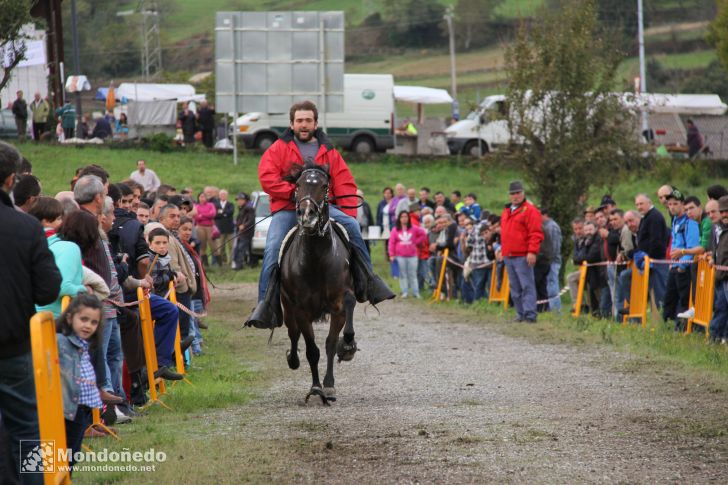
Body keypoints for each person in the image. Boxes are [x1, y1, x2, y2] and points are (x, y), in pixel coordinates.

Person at [246, 101, 394, 328]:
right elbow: (267, 178)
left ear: (315, 123)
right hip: (288, 208)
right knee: (273, 247)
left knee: (352, 228)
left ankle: (369, 283)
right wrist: (295, 194)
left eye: (308, 120)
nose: (303, 125)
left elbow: (344, 182)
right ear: (291, 123)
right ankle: (266, 306)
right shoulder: (277, 148)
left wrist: (347, 213)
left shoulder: (330, 151)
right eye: (299, 121)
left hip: (324, 207)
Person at [0, 141, 61, 484]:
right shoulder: (26, 227)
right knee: (28, 428)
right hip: (14, 343)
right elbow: (47, 289)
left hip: (15, 344)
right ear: (11, 180)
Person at [56, 295, 104, 473]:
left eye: (93, 322)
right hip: (67, 408)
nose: (88, 325)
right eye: (83, 319)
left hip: (82, 408)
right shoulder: (61, 342)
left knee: (73, 454)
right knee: (63, 455)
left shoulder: (85, 344)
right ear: (69, 318)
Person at [500, 181, 543, 323]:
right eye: (512, 193)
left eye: (518, 193)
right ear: (509, 195)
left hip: (522, 255)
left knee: (526, 286)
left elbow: (535, 233)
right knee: (515, 288)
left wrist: (532, 251)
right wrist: (502, 249)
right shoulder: (506, 211)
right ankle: (520, 313)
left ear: (523, 193)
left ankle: (530, 314)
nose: (515, 196)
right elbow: (505, 233)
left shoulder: (530, 211)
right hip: (509, 254)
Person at [663, 189, 701, 330]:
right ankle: (669, 326)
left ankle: (683, 328)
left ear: (682, 204)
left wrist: (681, 266)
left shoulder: (689, 222)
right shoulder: (675, 221)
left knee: (683, 300)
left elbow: (692, 246)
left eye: (675, 203)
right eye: (670, 204)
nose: (672, 207)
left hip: (683, 267)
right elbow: (674, 243)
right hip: (674, 265)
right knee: (669, 299)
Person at [635, 193, 670, 308]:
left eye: (641, 203)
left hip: (657, 261)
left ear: (649, 203)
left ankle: (665, 320)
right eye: (637, 204)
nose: (639, 207)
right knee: (655, 294)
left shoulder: (654, 216)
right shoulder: (646, 216)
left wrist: (649, 257)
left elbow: (656, 240)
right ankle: (658, 320)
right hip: (652, 260)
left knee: (660, 293)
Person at [388, 210, 427, 299]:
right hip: (400, 256)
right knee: (402, 275)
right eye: (402, 217)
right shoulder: (395, 230)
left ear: (408, 218)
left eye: (406, 216)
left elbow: (423, 234)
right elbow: (391, 243)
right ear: (399, 219)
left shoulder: (414, 228)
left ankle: (415, 292)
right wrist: (392, 254)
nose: (404, 218)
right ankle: (405, 292)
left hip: (412, 256)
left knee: (413, 274)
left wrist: (416, 242)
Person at [709, 196, 728, 343]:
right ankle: (715, 338)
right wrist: (712, 259)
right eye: (722, 211)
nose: (724, 214)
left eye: (727, 211)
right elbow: (718, 251)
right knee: (720, 308)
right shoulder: (719, 229)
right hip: (721, 276)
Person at [233, 192, 255, 269]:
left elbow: (251, 220)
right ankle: (249, 263)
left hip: (246, 233)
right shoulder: (242, 208)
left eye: (241, 200)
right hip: (241, 232)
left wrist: (244, 225)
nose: (239, 201)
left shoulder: (248, 208)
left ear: (245, 200)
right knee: (241, 248)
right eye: (238, 200)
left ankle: (239, 266)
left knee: (241, 248)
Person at [213, 189, 235, 266]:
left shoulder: (231, 204)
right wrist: (224, 213)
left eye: (224, 195)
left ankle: (231, 261)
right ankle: (223, 261)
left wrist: (221, 212)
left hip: (230, 229)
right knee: (221, 247)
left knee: (231, 247)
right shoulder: (215, 204)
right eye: (221, 195)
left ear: (227, 196)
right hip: (220, 229)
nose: (223, 196)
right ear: (219, 196)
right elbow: (215, 215)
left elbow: (230, 212)